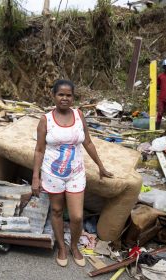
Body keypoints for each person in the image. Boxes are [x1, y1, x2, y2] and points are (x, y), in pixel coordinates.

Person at [32, 79, 113, 267]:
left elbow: (88, 142)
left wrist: (100, 166)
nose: (65, 98)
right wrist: (35, 177)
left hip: (76, 173)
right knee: (57, 210)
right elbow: (39, 150)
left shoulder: (79, 115)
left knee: (77, 216)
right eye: (61, 94)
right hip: (52, 174)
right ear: (53, 96)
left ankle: (74, 246)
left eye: (69, 95)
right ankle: (61, 247)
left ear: (73, 97)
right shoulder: (46, 120)